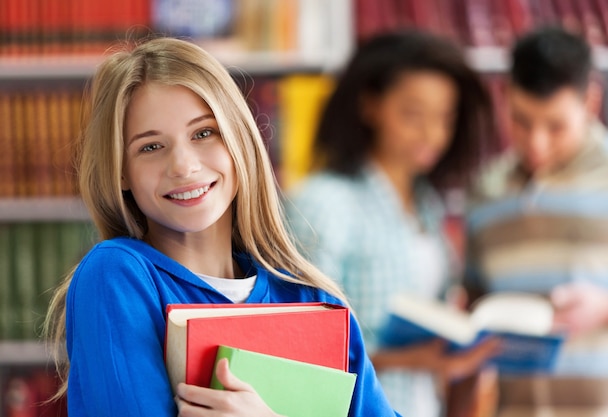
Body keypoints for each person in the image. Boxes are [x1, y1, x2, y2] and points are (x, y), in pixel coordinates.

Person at [42, 37, 400, 417]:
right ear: (121, 173)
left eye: (203, 133)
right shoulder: (117, 275)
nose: (182, 166)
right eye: (150, 147)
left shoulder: (314, 300)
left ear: (239, 142)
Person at [285, 30, 500, 417]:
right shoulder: (324, 203)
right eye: (413, 114)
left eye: (445, 118)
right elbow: (298, 347)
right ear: (369, 105)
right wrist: (409, 358)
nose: (431, 134)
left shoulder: (429, 208)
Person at [465, 26, 608, 414]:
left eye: (556, 126)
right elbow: (474, 306)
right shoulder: (485, 190)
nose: (536, 142)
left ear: (590, 101)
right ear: (504, 96)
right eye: (521, 121)